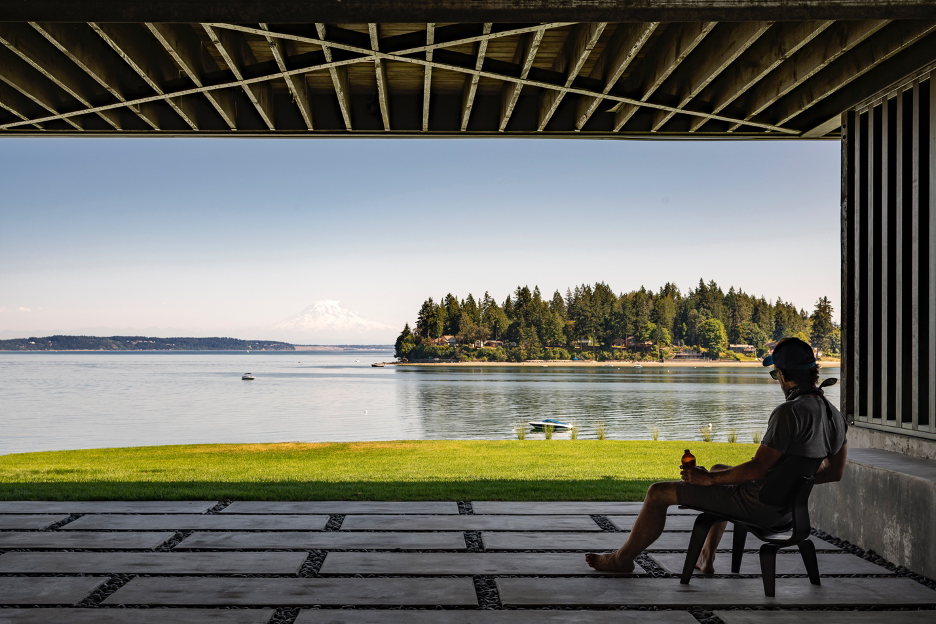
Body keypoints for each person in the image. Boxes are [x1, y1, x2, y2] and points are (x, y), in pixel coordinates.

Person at [585, 337, 848, 573]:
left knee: (657, 492)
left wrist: (707, 481)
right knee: (719, 467)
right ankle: (705, 558)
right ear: (813, 372)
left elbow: (757, 468)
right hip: (788, 511)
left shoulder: (789, 412)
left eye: (774, 373)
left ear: (782, 374)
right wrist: (789, 482)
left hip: (759, 506)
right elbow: (834, 473)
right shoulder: (833, 414)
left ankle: (621, 559)